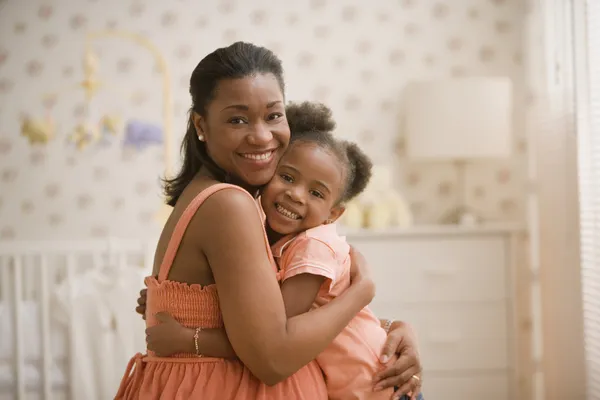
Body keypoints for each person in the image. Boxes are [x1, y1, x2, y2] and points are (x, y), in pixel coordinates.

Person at [120, 42, 422, 400]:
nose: (262, 135)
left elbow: (283, 311)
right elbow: (274, 356)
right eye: (237, 119)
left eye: (274, 115)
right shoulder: (230, 205)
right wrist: (362, 290)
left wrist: (388, 328)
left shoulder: (243, 202)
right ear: (201, 124)